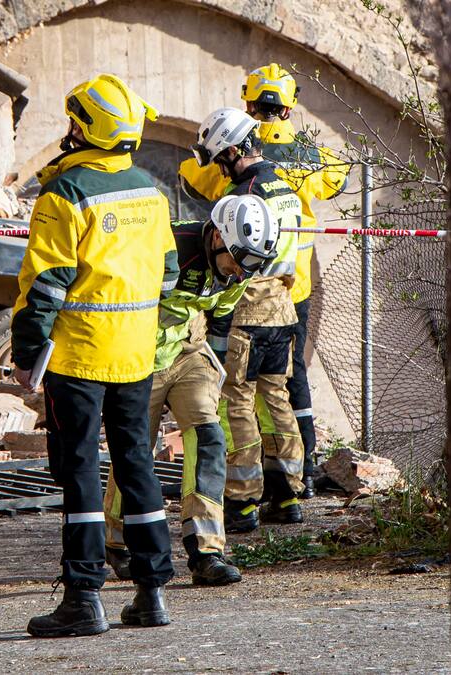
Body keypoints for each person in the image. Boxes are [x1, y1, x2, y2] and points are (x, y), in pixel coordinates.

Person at [12, 74, 175, 637]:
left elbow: (45, 283)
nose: (69, 129)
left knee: (80, 470)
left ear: (85, 130)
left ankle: (83, 598)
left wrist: (27, 351)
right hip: (135, 355)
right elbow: (168, 276)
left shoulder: (66, 193)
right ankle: (151, 593)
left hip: (77, 357)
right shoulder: (151, 191)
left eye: (73, 121)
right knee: (136, 464)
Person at [180, 64, 350, 497]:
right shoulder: (306, 158)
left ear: (249, 103)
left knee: (237, 394)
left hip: (245, 295)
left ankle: (243, 494)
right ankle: (297, 478)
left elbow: (191, 179)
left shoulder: (238, 176)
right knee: (287, 387)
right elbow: (341, 175)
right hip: (292, 288)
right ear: (289, 108)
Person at [103, 194, 282, 586]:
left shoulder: (239, 270)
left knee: (208, 437)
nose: (242, 272)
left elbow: (220, 316)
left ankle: (206, 551)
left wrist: (215, 368)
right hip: (139, 357)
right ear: (217, 237)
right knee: (134, 449)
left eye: (254, 264)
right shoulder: (169, 248)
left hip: (186, 350)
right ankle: (117, 542)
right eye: (240, 260)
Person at [183, 107, 305, 533]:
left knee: (235, 401)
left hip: (246, 309)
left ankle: (242, 500)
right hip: (283, 308)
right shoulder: (285, 187)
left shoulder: (244, 196)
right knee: (275, 400)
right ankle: (287, 494)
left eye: (220, 160)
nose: (219, 170)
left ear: (233, 150)